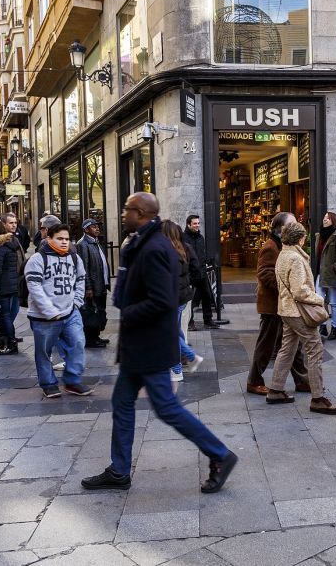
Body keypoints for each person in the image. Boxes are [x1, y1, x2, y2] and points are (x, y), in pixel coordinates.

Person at [82, 193, 237, 493]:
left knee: (166, 408)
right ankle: (119, 469)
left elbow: (163, 301)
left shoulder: (154, 248)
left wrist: (127, 310)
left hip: (150, 344)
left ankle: (220, 454)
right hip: (138, 344)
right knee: (122, 402)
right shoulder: (140, 243)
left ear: (140, 213)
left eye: (127, 209)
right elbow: (128, 291)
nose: (123, 213)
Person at [266, 222, 336, 415]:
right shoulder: (295, 259)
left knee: (287, 348)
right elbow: (299, 291)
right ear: (300, 238)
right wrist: (319, 298)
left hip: (286, 310)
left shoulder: (283, 254)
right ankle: (317, 398)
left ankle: (275, 388)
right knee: (315, 349)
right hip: (298, 312)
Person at [25, 224, 93, 398]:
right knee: (44, 352)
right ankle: (48, 384)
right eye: (59, 239)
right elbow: (34, 286)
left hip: (70, 312)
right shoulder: (38, 259)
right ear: (49, 239)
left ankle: (72, 381)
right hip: (44, 317)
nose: (64, 242)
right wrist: (49, 310)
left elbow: (80, 279)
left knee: (78, 343)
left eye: (67, 239)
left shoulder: (74, 258)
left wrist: (76, 302)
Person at [247, 212, 310, 396]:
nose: (296, 225)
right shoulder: (270, 247)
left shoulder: (284, 245)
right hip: (272, 306)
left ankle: (302, 381)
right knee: (266, 345)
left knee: (293, 344)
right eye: (292, 223)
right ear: (281, 229)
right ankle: (254, 380)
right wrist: (286, 285)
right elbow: (264, 273)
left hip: (283, 305)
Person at [161, 219, 203, 390]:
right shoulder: (182, 248)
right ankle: (189, 358)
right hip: (180, 298)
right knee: (174, 331)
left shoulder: (168, 251)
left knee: (170, 333)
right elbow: (195, 270)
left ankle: (178, 368)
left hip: (171, 299)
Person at [0, 220, 24, 355]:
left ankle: (11, 344)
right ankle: (1, 341)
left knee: (4, 316)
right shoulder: (8, 245)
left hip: (3, 287)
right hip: (10, 285)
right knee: (0, 315)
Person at [76, 219, 111, 348]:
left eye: (97, 226)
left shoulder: (96, 242)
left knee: (99, 311)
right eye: (93, 227)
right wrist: (88, 287)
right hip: (93, 286)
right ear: (86, 230)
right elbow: (83, 268)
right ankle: (91, 339)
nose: (97, 229)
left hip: (101, 285)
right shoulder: (83, 244)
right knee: (92, 312)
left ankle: (95, 336)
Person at [182, 214, 220, 330]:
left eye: (198, 223)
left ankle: (208, 320)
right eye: (195, 223)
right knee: (189, 300)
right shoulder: (183, 238)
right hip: (190, 273)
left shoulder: (201, 238)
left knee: (207, 296)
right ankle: (190, 323)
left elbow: (202, 254)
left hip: (201, 272)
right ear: (188, 224)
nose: (197, 225)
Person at [314, 212, 336, 341]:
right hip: (321, 273)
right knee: (319, 300)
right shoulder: (319, 236)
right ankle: (323, 325)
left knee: (334, 303)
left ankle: (334, 328)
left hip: (333, 274)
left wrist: (335, 268)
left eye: (328, 218)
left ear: (334, 220)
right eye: (324, 218)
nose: (325, 220)